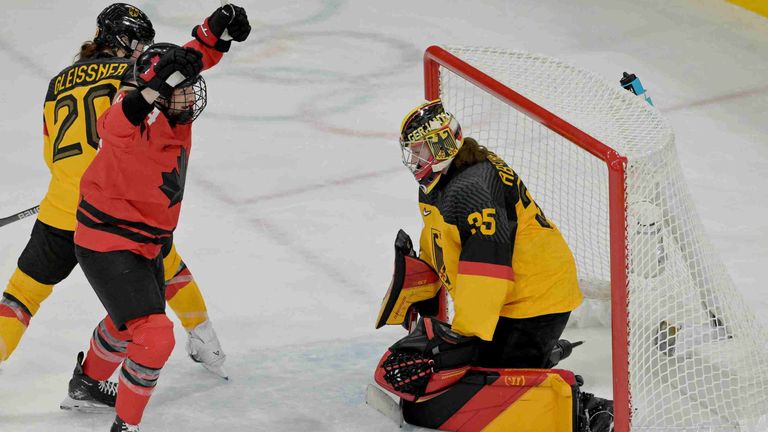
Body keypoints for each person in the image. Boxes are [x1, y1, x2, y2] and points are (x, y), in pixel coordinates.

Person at [0, 3, 228, 384]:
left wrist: (66, 187)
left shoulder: (58, 81)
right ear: (119, 41)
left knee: (20, 297)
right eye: (138, 42)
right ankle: (206, 342)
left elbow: (51, 151)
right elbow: (135, 116)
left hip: (59, 208)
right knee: (166, 264)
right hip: (111, 209)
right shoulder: (134, 73)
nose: (142, 51)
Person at [374, 99, 614, 431]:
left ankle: (586, 410)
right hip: (510, 300)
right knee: (461, 377)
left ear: (442, 145)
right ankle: (537, 357)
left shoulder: (473, 189)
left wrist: (465, 335)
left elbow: (487, 267)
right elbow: (443, 237)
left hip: (536, 301)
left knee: (487, 391)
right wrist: (421, 278)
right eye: (411, 151)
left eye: (420, 150)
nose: (414, 160)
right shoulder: (442, 182)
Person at [64, 5, 250, 428]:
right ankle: (126, 426)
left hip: (146, 241)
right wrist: (147, 92)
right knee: (153, 336)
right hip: (107, 241)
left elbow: (190, 59)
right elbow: (114, 122)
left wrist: (214, 34)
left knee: (125, 320)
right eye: (180, 90)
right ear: (158, 95)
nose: (191, 96)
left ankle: (86, 385)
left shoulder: (171, 102)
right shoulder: (135, 120)